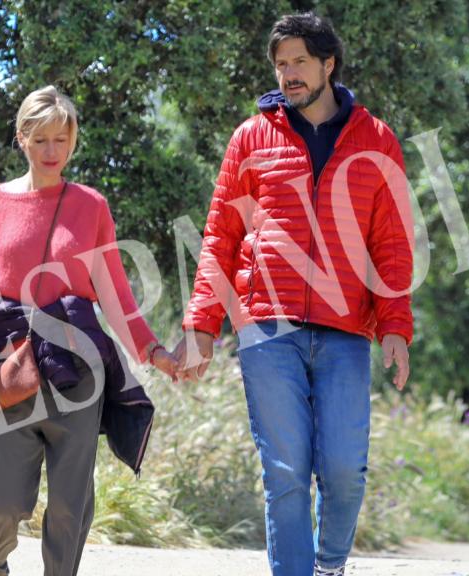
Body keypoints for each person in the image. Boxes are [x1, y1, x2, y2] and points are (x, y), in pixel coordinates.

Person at [173, 12, 414, 576]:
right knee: (284, 469)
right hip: (266, 326)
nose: (288, 74)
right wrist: (202, 324)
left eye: (299, 62)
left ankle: (330, 567)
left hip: (347, 327)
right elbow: (221, 236)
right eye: (280, 65)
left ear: (328, 64)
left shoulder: (375, 139)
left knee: (344, 467)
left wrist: (396, 329)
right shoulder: (250, 138)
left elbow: (392, 243)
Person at [0, 85, 177, 576]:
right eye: (41, 139)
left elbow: (114, 290)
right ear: (22, 138)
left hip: (78, 369)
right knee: (0, 501)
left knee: (69, 505)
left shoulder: (91, 206)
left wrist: (151, 349)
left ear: (72, 142)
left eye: (61, 140)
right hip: (10, 367)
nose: (51, 151)